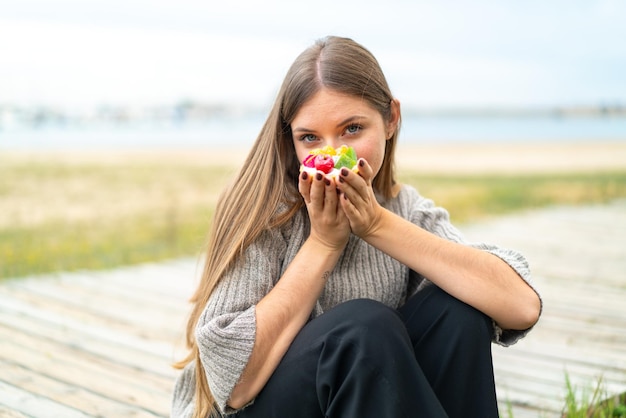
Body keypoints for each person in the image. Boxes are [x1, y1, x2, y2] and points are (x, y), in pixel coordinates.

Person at [171, 35, 542, 418]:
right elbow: (233, 386)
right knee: (362, 328)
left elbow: (522, 306)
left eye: (351, 129)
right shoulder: (263, 209)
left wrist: (377, 224)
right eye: (310, 138)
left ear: (390, 120)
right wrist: (323, 243)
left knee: (459, 312)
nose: (332, 154)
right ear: (291, 140)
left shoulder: (402, 207)